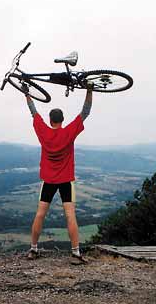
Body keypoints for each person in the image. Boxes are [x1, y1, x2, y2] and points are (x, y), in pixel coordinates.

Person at [25, 85, 93, 265]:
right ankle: (76, 253)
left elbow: (33, 112)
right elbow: (85, 112)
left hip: (48, 180)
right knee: (70, 215)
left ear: (50, 120)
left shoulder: (44, 132)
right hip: (66, 181)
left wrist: (27, 93)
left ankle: (33, 249)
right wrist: (89, 90)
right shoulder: (68, 132)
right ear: (62, 120)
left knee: (40, 214)